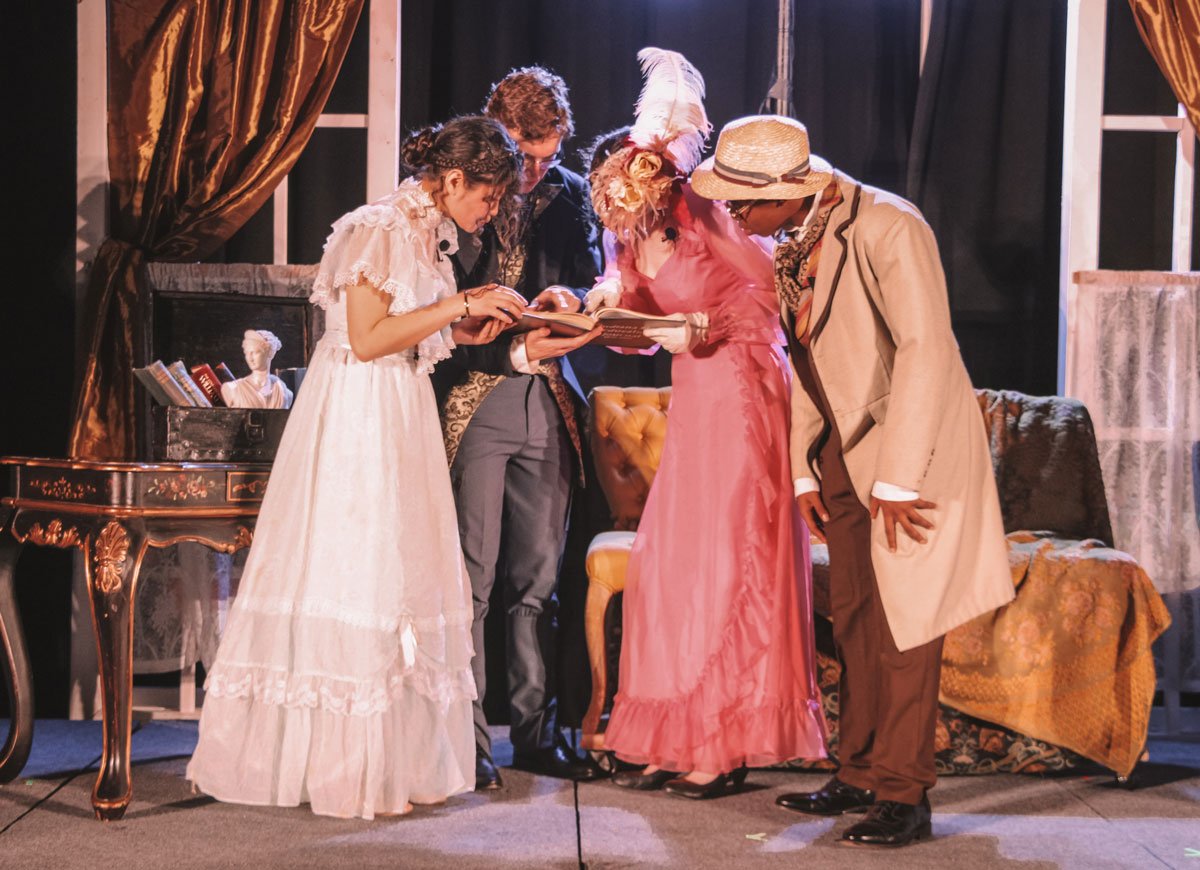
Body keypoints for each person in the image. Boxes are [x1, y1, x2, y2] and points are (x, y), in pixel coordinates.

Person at [187, 116, 527, 819]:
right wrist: (458, 302)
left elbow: (409, 325)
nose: (489, 212)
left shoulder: (426, 233)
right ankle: (339, 767)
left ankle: (390, 764)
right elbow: (368, 338)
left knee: (399, 571)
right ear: (454, 178)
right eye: (487, 197)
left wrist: (462, 323)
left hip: (399, 405)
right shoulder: (379, 227)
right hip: (359, 410)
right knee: (359, 565)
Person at [691, 115, 1014, 844]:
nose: (735, 216)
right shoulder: (794, 236)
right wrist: (808, 465)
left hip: (908, 451)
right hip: (843, 451)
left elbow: (928, 348)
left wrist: (900, 478)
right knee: (859, 617)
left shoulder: (888, 227)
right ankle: (861, 771)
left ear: (786, 189)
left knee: (906, 625)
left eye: (743, 203)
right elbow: (806, 353)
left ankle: (905, 793)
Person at [586, 49, 827, 800]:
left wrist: (701, 323)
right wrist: (606, 304)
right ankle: (671, 733)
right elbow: (632, 321)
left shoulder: (705, 216)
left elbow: (763, 300)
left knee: (731, 557)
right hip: (694, 395)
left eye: (642, 210)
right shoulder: (624, 234)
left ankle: (722, 741)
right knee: (676, 567)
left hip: (746, 390)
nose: (632, 225)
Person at [430, 66, 603, 790]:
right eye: (524, 155)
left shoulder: (568, 194)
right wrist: (512, 344)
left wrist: (574, 295)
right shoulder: (461, 194)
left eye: (546, 154)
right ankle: (464, 740)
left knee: (538, 582)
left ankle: (536, 733)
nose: (534, 170)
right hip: (476, 398)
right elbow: (436, 314)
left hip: (551, 399)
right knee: (471, 579)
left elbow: (596, 277)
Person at [220, 329, 293, 409]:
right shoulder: (232, 388)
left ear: (269, 353)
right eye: (247, 353)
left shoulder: (284, 392)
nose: (250, 358)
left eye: (255, 352)